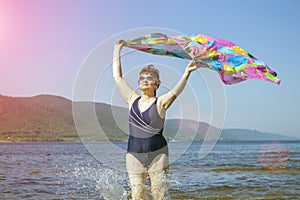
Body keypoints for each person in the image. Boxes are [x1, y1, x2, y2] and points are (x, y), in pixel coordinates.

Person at [113, 40, 197, 200]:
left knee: (158, 196)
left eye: (149, 78)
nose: (144, 80)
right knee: (137, 196)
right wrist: (117, 49)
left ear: (156, 84)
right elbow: (117, 77)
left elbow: (175, 92)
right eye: (142, 78)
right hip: (133, 155)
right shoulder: (132, 99)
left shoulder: (161, 102)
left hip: (158, 156)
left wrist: (186, 73)